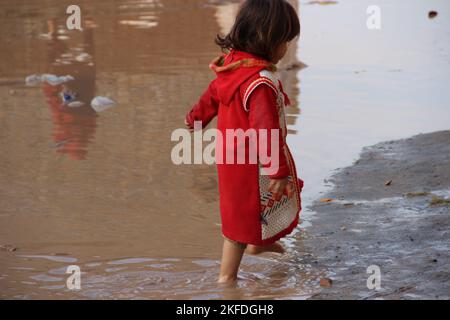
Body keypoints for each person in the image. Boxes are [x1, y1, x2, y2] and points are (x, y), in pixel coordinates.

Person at [185, 0, 304, 284]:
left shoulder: (232, 66)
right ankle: (227, 281)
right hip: (252, 161)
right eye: (284, 41)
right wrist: (277, 169)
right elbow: (265, 130)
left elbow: (212, 94)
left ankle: (259, 243)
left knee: (261, 205)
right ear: (268, 40)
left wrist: (197, 119)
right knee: (240, 222)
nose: (286, 48)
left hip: (232, 156)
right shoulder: (259, 82)